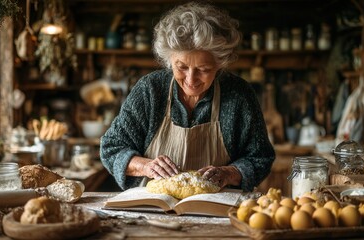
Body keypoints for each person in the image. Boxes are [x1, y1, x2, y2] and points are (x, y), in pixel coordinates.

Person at [100, 1, 275, 192]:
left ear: (220, 64)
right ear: (169, 60)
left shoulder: (239, 95)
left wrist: (230, 173)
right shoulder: (150, 90)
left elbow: (261, 157)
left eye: (203, 69)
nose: (191, 80)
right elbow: (111, 148)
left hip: (218, 211)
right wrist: (146, 166)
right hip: (152, 209)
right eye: (181, 67)